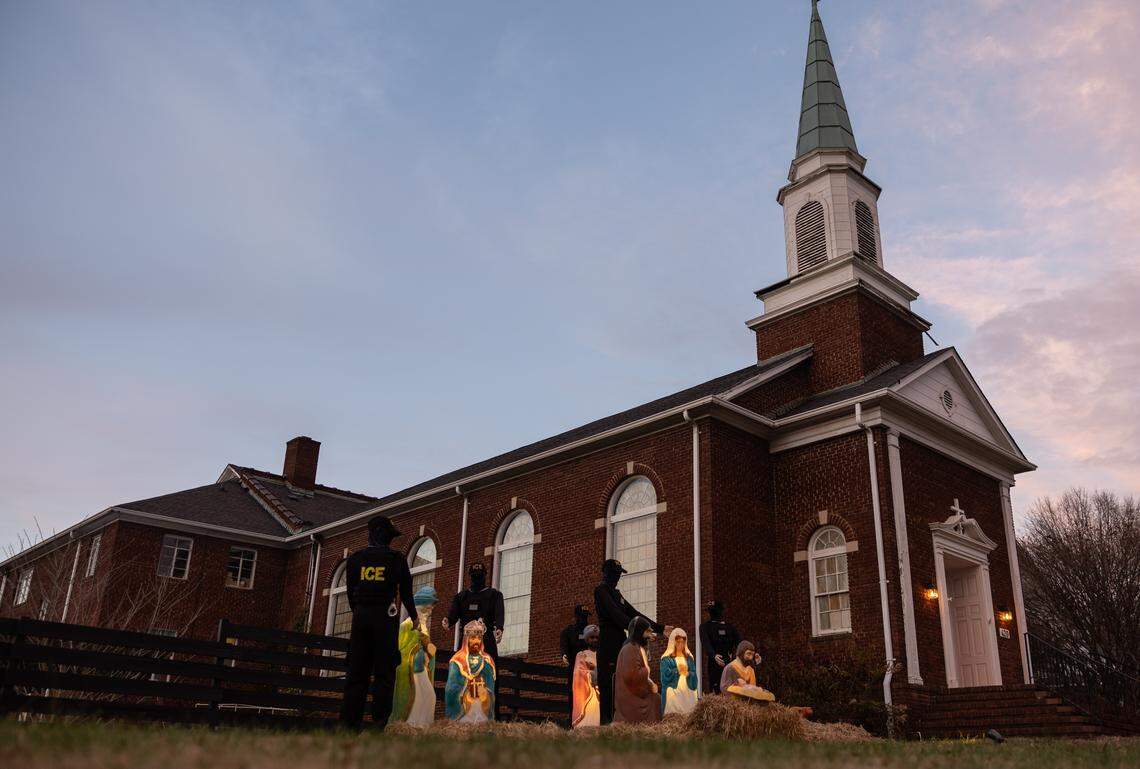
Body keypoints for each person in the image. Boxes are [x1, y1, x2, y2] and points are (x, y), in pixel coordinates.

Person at [339, 515, 417, 730]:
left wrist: (361, 612)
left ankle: (349, 726)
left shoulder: (356, 559)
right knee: (384, 673)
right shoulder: (396, 559)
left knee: (357, 673)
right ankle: (378, 724)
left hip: (361, 618)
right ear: (384, 535)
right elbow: (407, 593)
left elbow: (350, 594)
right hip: (385, 618)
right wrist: (414, 617)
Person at [593, 558, 667, 724]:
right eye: (615, 574)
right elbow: (617, 616)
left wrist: (658, 628)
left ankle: (621, 721)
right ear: (606, 574)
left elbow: (634, 614)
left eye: (619, 574)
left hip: (620, 641)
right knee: (608, 685)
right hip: (608, 644)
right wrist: (641, 632)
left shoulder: (617, 595)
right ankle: (607, 723)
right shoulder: (601, 591)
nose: (618, 577)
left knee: (621, 683)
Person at [390, 585, 439, 727]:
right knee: (423, 697)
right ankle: (412, 724)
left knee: (428, 697)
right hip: (412, 671)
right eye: (426, 609)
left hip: (421, 669)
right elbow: (402, 647)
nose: (429, 612)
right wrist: (419, 648)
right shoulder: (407, 625)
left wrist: (428, 650)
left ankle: (421, 725)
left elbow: (429, 649)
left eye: (430, 609)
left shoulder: (423, 627)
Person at [444, 563, 505, 661]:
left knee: (490, 667)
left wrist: (499, 627)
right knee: (462, 667)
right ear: (470, 577)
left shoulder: (494, 595)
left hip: (486, 639)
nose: (477, 579)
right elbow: (453, 615)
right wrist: (448, 620)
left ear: (484, 576)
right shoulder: (461, 597)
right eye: (474, 576)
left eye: (479, 576)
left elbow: (499, 613)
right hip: (466, 640)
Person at [444, 619, 497, 722]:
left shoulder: (487, 661)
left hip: (482, 704)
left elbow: (491, 686)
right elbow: (451, 687)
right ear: (466, 640)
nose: (476, 641)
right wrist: (466, 688)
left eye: (479, 638)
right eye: (473, 638)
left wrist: (485, 691)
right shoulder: (457, 660)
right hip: (464, 705)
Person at [613, 616, 660, 724]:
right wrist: (647, 672)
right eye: (647, 632)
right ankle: (649, 728)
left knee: (657, 697)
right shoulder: (630, 649)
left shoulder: (637, 648)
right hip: (630, 698)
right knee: (656, 700)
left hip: (635, 692)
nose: (649, 636)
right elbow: (631, 676)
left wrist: (650, 683)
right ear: (639, 632)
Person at [698, 600, 740, 694]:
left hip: (729, 662)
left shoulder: (730, 627)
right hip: (714, 663)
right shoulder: (705, 627)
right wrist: (713, 655)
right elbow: (706, 643)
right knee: (716, 687)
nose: (711, 613)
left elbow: (740, 643)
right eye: (710, 611)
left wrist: (752, 653)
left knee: (730, 687)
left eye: (714, 610)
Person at [659, 628, 699, 716]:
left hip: (688, 690)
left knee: (688, 712)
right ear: (673, 642)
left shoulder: (689, 658)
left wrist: (688, 674)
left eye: (683, 641)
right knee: (674, 713)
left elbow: (694, 673)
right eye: (678, 641)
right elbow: (664, 677)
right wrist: (677, 671)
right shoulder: (666, 659)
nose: (681, 644)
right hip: (673, 691)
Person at [559, 603, 591, 714]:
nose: (585, 620)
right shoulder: (569, 632)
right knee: (574, 694)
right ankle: (574, 717)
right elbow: (564, 645)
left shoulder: (591, 632)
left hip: (589, 670)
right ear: (577, 617)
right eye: (583, 616)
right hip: (574, 670)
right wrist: (564, 655)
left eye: (586, 617)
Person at [571, 624, 601, 729]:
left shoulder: (602, 655)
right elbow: (578, 673)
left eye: (597, 637)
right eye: (592, 637)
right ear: (587, 639)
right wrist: (591, 673)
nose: (595, 640)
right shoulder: (581, 654)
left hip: (601, 691)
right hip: (589, 691)